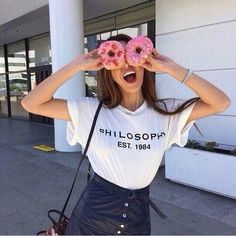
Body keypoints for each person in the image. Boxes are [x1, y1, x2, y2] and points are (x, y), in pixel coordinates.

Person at [21, 34, 231, 235]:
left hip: (137, 219)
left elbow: (221, 102)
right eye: (117, 60)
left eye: (132, 57)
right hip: (92, 216)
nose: (126, 66)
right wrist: (77, 65)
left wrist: (170, 67)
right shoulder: (90, 110)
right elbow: (31, 103)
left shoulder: (167, 112)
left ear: (144, 64)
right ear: (109, 72)